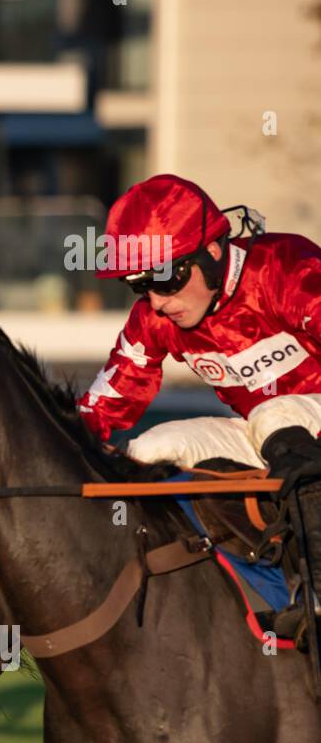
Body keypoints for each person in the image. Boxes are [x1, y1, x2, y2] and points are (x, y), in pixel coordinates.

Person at [77, 173, 321, 629]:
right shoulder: (153, 320)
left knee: (275, 413)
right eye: (140, 286)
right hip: (271, 439)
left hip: (292, 424)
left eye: (166, 280)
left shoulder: (284, 268)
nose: (157, 302)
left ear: (211, 252)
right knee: (147, 452)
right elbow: (101, 406)